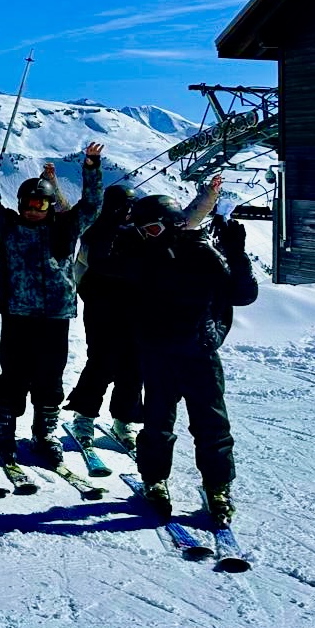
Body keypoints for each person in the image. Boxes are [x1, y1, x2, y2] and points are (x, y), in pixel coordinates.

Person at [0, 132, 103, 463]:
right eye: (28, 204)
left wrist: (91, 167)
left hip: (56, 315)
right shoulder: (9, 226)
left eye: (40, 204)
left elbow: (92, 206)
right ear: (19, 204)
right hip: (18, 313)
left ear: (49, 205)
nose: (33, 210)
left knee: (50, 376)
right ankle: (5, 430)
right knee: (14, 374)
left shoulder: (66, 227)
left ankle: (44, 433)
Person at [127, 195, 257, 523]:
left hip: (198, 353)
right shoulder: (141, 255)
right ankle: (154, 480)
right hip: (158, 353)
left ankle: (217, 486)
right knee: (157, 423)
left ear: (172, 224)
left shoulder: (202, 253)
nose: (147, 236)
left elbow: (243, 295)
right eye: (142, 231)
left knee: (211, 424)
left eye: (152, 229)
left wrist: (236, 254)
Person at [66, 175, 221, 448]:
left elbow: (184, 220)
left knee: (134, 365)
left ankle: (124, 418)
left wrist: (208, 196)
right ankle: (85, 415)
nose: (126, 213)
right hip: (102, 307)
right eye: (120, 207)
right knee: (102, 362)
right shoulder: (95, 229)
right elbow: (73, 226)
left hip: (137, 306)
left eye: (129, 207)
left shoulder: (143, 231)